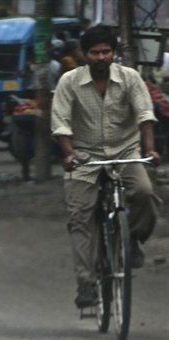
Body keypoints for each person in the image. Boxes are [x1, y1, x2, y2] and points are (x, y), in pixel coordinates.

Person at [51, 25, 162, 308]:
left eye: (106, 51)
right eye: (94, 52)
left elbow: (145, 114)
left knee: (145, 193)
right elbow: (61, 122)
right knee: (80, 218)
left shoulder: (130, 78)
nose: (101, 57)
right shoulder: (69, 81)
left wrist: (149, 150)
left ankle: (133, 238)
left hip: (125, 151)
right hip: (84, 157)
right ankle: (86, 284)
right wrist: (68, 153)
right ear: (84, 55)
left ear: (114, 53)